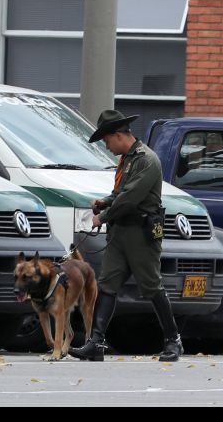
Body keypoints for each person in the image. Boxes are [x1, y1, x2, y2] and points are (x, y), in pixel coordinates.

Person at [69, 110, 183, 362]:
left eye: (107, 141)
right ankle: (96, 343)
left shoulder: (146, 160)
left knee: (151, 285)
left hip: (140, 233)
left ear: (118, 135)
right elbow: (120, 192)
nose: (107, 147)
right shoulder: (128, 159)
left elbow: (131, 198)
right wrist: (105, 201)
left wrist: (103, 216)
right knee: (108, 284)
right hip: (120, 232)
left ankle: (173, 340)